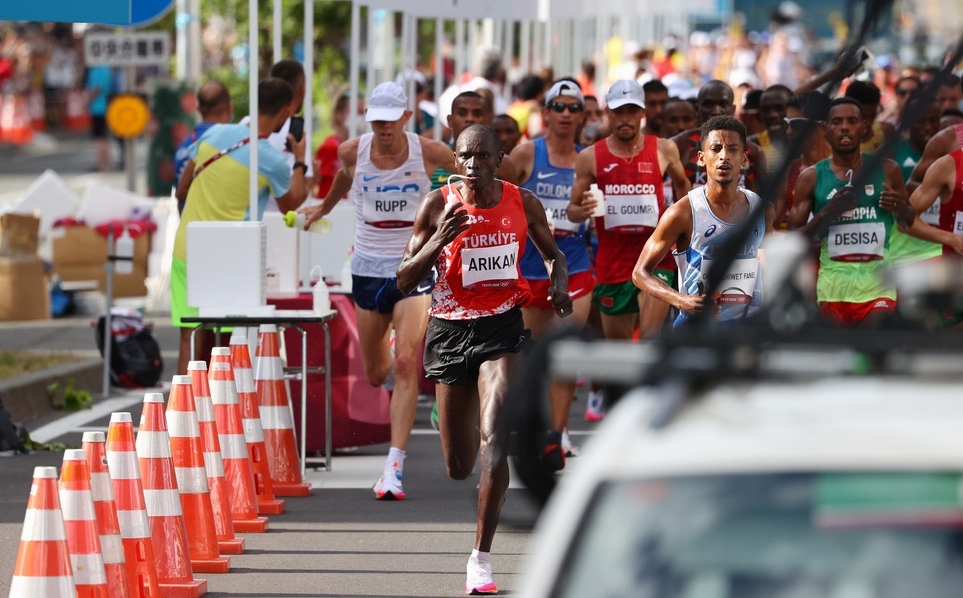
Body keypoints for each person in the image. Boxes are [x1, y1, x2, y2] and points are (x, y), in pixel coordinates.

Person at [396, 124, 572, 595]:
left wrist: (558, 284)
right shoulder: (437, 205)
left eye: (483, 157)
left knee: (496, 437)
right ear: (456, 162)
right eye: (464, 157)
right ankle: (452, 408)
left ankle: (481, 559)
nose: (473, 165)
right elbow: (403, 278)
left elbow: (554, 256)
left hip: (502, 328)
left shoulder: (522, 202)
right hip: (449, 330)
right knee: (458, 464)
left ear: (499, 160)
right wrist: (438, 240)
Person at [299, 81, 456, 501]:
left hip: (413, 267)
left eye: (391, 119)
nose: (384, 128)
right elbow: (342, 180)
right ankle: (387, 340)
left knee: (406, 363)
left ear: (406, 117)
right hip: (368, 271)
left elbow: (470, 176)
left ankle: (393, 467)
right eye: (377, 120)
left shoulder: (431, 152)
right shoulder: (353, 150)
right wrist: (323, 208)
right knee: (376, 373)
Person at [171, 78, 308, 375]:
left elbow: (182, 190)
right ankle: (220, 417)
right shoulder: (270, 159)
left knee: (190, 336)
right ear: (286, 112)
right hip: (229, 257)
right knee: (224, 342)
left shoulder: (215, 134)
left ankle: (180, 414)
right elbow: (291, 205)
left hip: (188, 247)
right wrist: (299, 162)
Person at [567, 79, 690, 343]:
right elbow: (572, 210)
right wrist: (583, 210)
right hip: (613, 261)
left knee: (649, 338)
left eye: (632, 111)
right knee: (618, 348)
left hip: (656, 256)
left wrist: (682, 220)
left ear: (643, 113)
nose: (626, 118)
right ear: (607, 113)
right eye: (619, 112)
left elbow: (682, 184)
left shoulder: (664, 149)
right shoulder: (590, 157)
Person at [510, 80, 594, 468]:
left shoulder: (588, 159)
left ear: (583, 116)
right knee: (530, 359)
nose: (564, 113)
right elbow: (499, 198)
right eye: (557, 106)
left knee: (567, 353)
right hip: (531, 267)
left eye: (573, 107)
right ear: (545, 113)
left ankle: (554, 439)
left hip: (573, 263)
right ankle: (528, 425)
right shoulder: (528, 153)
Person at [633, 115, 771, 323]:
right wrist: (682, 300)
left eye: (733, 149)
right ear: (701, 157)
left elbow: (767, 263)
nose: (724, 156)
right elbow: (639, 273)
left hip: (747, 332)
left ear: (744, 158)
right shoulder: (683, 212)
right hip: (698, 332)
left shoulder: (762, 209)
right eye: (715, 149)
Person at [789, 97, 911, 326]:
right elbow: (793, 241)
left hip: (878, 289)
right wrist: (826, 214)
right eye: (836, 122)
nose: (844, 127)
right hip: (832, 291)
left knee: (877, 347)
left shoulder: (888, 169)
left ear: (864, 127)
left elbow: (909, 220)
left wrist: (902, 207)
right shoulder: (811, 177)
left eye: (852, 121)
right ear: (825, 130)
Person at [672, 80, 767, 193]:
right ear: (698, 109)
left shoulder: (753, 152)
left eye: (723, 104)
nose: (716, 111)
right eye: (708, 105)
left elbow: (769, 197)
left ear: (733, 110)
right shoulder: (680, 145)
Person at [888, 98, 942, 265]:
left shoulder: (948, 155)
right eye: (921, 121)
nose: (928, 127)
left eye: (934, 121)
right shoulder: (891, 155)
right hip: (902, 254)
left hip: (939, 251)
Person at [429, 91, 518, 192]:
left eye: (477, 114)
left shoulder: (503, 163)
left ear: (488, 121)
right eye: (462, 113)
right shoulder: (433, 157)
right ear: (450, 120)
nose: (470, 118)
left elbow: (514, 203)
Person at [174, 81, 233, 214]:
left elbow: (180, 198)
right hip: (221, 225)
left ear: (198, 109)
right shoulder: (232, 144)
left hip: (189, 226)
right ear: (230, 107)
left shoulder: (183, 148)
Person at [85, 64, 113, 172]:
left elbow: (97, 88)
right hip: (105, 107)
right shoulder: (105, 69)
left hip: (98, 108)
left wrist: (88, 101)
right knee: (104, 138)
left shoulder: (98, 70)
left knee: (99, 138)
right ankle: (106, 164)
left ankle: (102, 165)